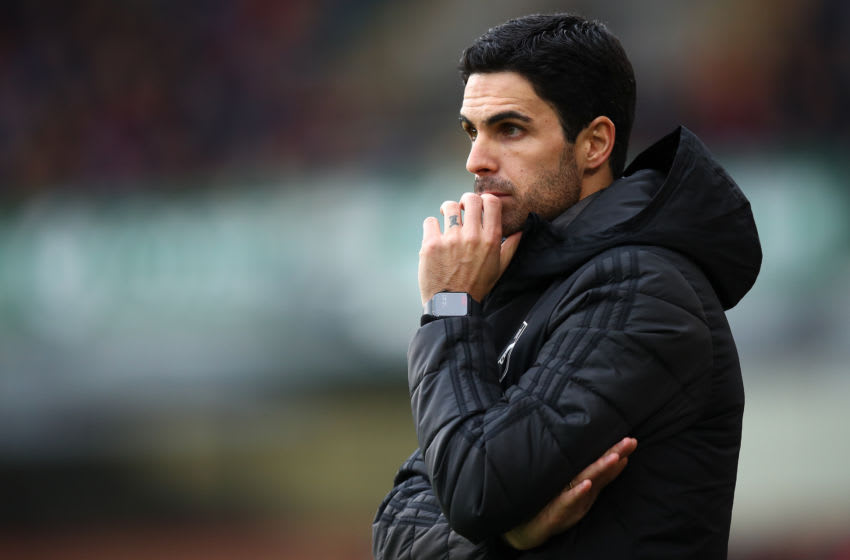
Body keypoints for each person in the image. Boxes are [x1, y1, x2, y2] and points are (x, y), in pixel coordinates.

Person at [372, 13, 761, 559]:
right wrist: (504, 540)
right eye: (472, 131)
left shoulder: (640, 291)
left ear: (595, 144)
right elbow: (396, 526)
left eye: (509, 129)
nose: (476, 160)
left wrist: (448, 308)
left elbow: (474, 489)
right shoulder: (533, 283)